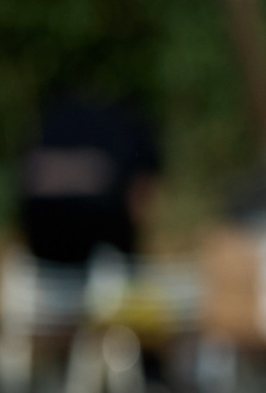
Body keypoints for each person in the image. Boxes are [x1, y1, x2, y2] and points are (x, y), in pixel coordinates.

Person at [17, 89, 163, 267]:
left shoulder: (49, 122)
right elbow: (140, 194)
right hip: (100, 224)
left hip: (41, 228)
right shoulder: (126, 126)